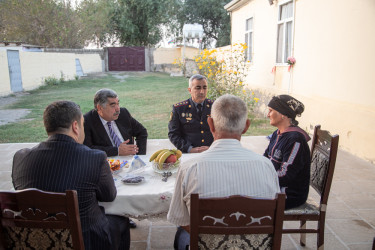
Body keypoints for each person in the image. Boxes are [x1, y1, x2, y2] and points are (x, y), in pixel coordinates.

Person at [167, 94, 280, 250]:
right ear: (246, 126)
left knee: (181, 234)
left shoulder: (189, 168)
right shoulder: (267, 166)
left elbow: (180, 219)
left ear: (210, 125)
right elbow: (271, 219)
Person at [12, 101, 130, 250]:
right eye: (82, 124)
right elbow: (109, 196)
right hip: (86, 240)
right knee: (121, 221)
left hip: (33, 240)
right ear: (75, 127)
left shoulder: (20, 157)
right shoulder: (95, 157)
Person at [263, 94, 311, 210]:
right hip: (276, 186)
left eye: (271, 111)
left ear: (283, 114)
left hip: (289, 194)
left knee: (245, 200)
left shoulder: (295, 140)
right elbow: (265, 158)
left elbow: (285, 175)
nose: (268, 115)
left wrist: (261, 177)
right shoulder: (277, 133)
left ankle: (264, 227)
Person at [84, 88, 148, 157]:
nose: (118, 109)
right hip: (107, 162)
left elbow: (142, 132)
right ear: (99, 108)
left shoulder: (123, 113)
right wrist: (116, 151)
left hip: (129, 159)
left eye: (118, 103)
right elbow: (87, 149)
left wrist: (139, 156)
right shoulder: (87, 121)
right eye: (113, 105)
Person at [168, 74, 214, 153]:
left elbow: (223, 132)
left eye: (204, 88)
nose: (202, 91)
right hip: (188, 153)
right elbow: (173, 134)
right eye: (198, 88)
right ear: (190, 90)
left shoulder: (215, 107)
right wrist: (190, 149)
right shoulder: (179, 109)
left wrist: (212, 148)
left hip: (211, 151)